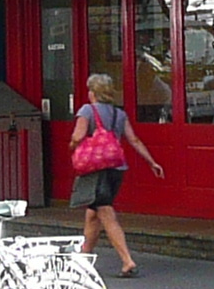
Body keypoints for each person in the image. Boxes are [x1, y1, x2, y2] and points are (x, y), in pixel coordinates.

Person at [68, 69, 162, 277]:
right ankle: (84, 258)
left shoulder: (87, 111)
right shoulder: (119, 114)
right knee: (93, 214)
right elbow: (134, 140)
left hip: (95, 170)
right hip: (116, 169)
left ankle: (127, 261)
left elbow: (77, 136)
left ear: (93, 92)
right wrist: (152, 162)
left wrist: (73, 147)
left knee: (106, 214)